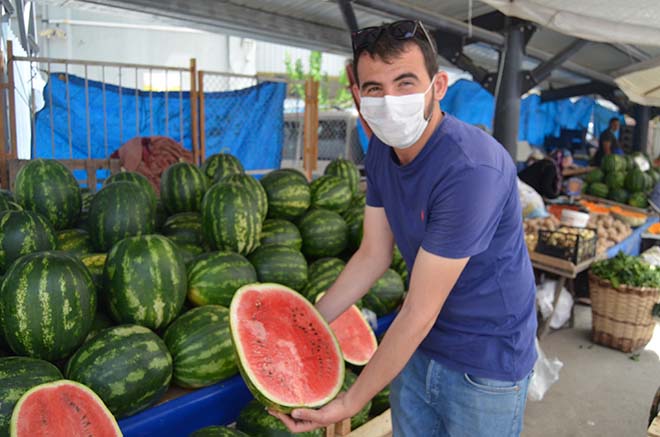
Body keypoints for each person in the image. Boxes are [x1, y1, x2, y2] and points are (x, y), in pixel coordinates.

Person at [270, 20, 537, 437]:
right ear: (358, 95)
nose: (390, 101)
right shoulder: (381, 150)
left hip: (485, 361)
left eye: (405, 82)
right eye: (374, 88)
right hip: (417, 346)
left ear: (438, 86)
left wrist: (350, 402)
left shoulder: (471, 169)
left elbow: (419, 311)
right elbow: (373, 255)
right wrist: (309, 325)